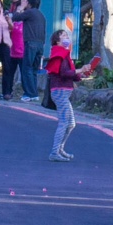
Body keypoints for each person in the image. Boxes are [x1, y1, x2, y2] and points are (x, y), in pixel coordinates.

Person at [46, 19, 82, 160]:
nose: (67, 38)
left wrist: (81, 73)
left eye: (67, 35)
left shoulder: (64, 53)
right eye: (64, 36)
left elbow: (70, 73)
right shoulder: (59, 53)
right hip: (60, 91)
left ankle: (59, 149)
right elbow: (64, 73)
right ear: (57, 41)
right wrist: (80, 70)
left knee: (71, 123)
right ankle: (54, 152)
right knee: (64, 122)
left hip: (63, 92)